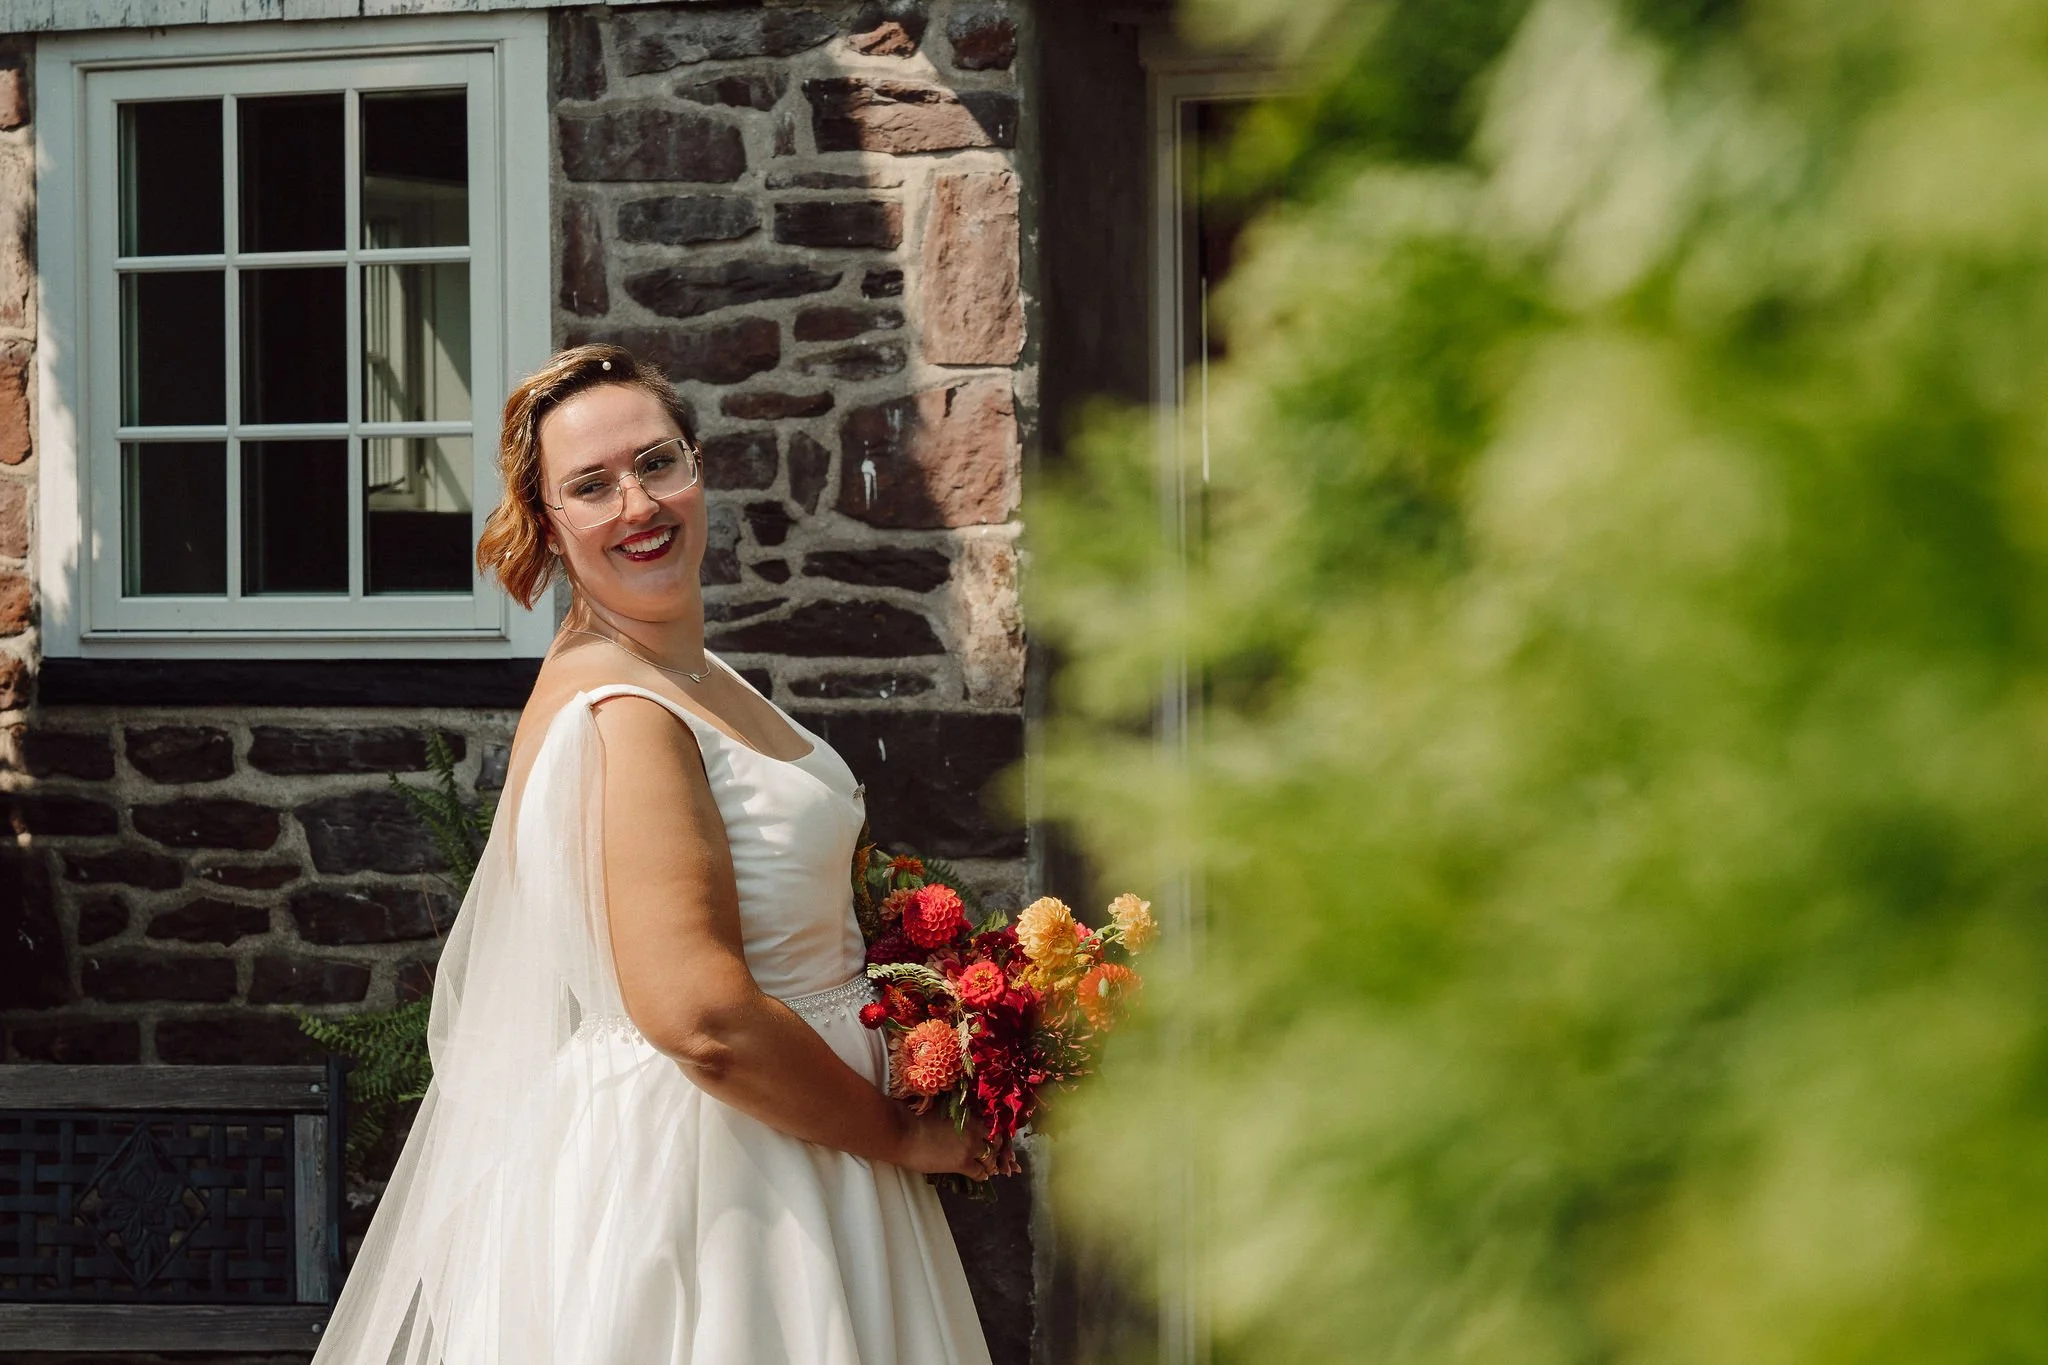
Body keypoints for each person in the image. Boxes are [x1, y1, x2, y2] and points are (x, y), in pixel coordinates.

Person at [311, 344, 1001, 1364]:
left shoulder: (691, 669)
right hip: (725, 1180)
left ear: (696, 466)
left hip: (808, 1145)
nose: (637, 503)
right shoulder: (625, 712)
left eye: (656, 461)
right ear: (548, 523)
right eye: (591, 486)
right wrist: (899, 1133)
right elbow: (702, 1020)